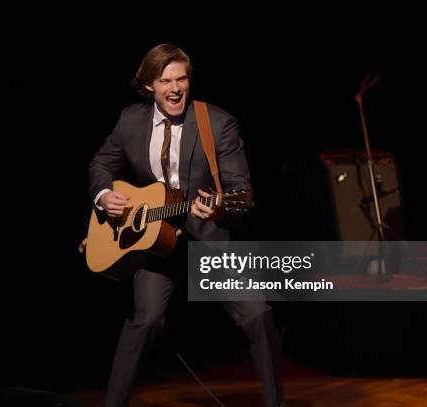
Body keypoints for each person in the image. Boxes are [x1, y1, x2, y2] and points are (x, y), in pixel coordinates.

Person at [88, 44, 286, 407]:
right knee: (145, 322)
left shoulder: (217, 122)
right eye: (166, 80)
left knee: (259, 315)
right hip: (156, 243)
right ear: (149, 85)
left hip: (210, 241)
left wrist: (220, 210)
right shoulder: (130, 120)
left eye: (182, 79)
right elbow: (101, 164)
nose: (175, 88)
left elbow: (242, 191)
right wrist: (103, 195)